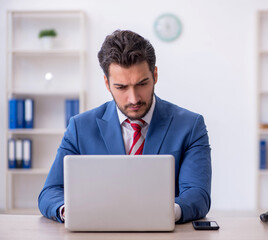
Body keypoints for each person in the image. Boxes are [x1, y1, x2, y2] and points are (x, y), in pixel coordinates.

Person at [38, 29, 211, 224]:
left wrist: (161, 213)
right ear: (107, 83)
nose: (134, 98)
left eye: (142, 83)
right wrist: (71, 212)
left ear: (154, 75)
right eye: (121, 87)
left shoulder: (190, 125)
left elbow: (198, 195)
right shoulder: (80, 127)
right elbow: (50, 192)